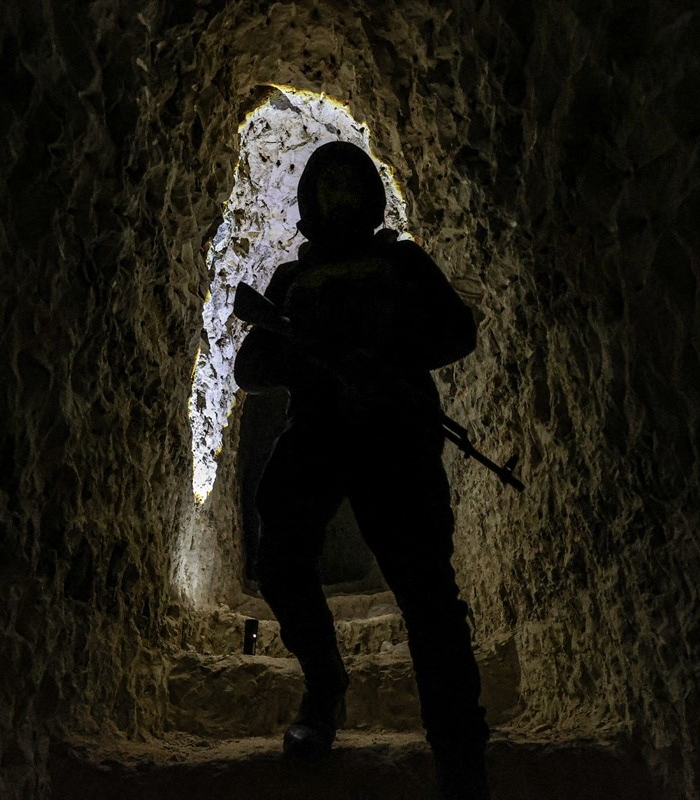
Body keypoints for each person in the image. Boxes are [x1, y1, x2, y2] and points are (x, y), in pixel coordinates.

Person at [234, 140, 490, 800]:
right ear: (312, 200)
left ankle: (459, 750)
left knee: (426, 591)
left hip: (395, 435)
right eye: (330, 185)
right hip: (318, 432)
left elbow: (456, 330)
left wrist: (384, 351)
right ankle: (325, 688)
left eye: (352, 184)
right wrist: (307, 357)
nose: (341, 197)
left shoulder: (400, 262)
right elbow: (250, 368)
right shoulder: (292, 280)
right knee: (280, 558)